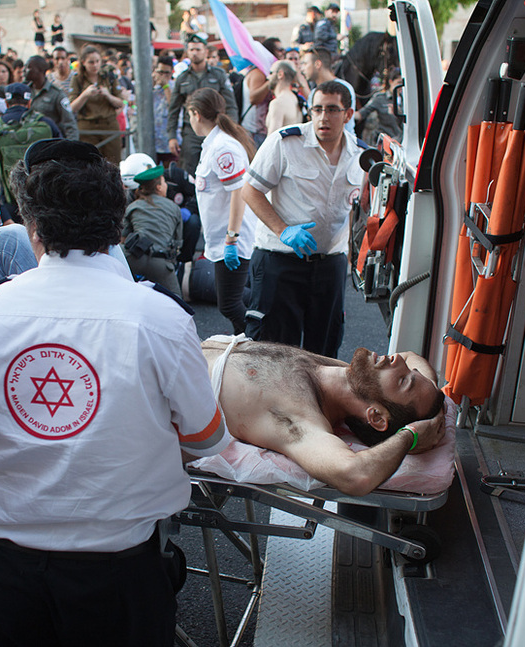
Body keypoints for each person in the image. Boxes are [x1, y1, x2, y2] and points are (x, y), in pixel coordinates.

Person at [0, 138, 231, 647]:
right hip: (120, 564)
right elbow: (207, 438)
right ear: (117, 227)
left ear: (32, 227)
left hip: (10, 562)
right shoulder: (160, 317)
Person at [201, 339, 446, 496]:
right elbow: (412, 356)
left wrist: (410, 436)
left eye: (403, 380)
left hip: (167, 391)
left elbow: (355, 475)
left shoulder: (300, 419)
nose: (398, 360)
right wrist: (433, 393)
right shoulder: (335, 374)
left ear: (377, 417)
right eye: (409, 374)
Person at [241, 81, 362, 358]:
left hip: (329, 265)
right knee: (273, 353)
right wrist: (283, 230)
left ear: (348, 114)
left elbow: (359, 210)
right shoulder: (285, 142)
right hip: (280, 262)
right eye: (317, 109)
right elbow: (250, 190)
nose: (323, 117)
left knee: (325, 352)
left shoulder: (359, 154)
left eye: (332, 109)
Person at [187, 88, 257, 334]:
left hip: (233, 237)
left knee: (229, 304)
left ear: (196, 114)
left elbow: (239, 192)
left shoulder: (222, 147)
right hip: (223, 237)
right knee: (233, 300)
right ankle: (253, 340)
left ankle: (254, 343)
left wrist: (231, 238)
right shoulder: (214, 144)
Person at [0, 82, 62, 221]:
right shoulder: (46, 123)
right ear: (29, 102)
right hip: (44, 202)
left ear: (6, 102)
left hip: (11, 202)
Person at [0, 55, 78, 140]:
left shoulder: (57, 94)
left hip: (49, 142)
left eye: (29, 68)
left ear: (41, 71)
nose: (24, 71)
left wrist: (70, 149)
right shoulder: (23, 88)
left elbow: (70, 124)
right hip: (26, 141)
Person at [167, 34, 238, 175]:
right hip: (191, 131)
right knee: (189, 171)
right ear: (187, 52)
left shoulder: (218, 75)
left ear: (205, 51)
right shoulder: (182, 78)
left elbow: (230, 105)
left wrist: (231, 128)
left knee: (218, 168)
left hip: (215, 128)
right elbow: (173, 109)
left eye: (198, 49)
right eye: (192, 49)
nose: (195, 53)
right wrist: (172, 136)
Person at [119, 153, 183, 296]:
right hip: (160, 262)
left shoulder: (133, 206)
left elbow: (122, 239)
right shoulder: (174, 208)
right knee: (178, 303)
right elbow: (178, 243)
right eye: (164, 182)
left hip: (133, 257)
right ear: (159, 187)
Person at [69, 45, 125, 164]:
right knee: (90, 165)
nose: (95, 65)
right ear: (83, 62)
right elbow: (72, 107)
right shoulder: (78, 79)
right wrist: (85, 94)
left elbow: (120, 102)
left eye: (97, 61)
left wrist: (108, 95)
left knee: (113, 163)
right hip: (87, 127)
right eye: (91, 62)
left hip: (109, 125)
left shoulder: (108, 76)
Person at [302, 47, 357, 136]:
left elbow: (347, 128)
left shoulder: (344, 88)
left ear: (317, 64)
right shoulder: (313, 93)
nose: (302, 69)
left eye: (305, 63)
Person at [266, 60, 304, 133]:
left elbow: (272, 139)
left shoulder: (277, 103)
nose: (268, 77)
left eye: (271, 73)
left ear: (280, 74)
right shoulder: (295, 99)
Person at [152, 56, 175, 166]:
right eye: (160, 72)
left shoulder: (174, 87)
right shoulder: (151, 87)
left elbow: (173, 106)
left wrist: (165, 86)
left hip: (168, 141)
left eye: (166, 73)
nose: (163, 76)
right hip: (152, 141)